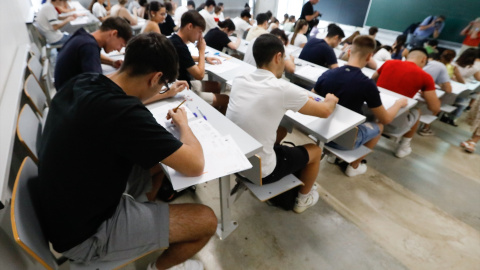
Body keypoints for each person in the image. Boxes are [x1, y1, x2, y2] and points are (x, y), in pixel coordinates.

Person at [36, 32, 217, 270]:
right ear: (156, 78)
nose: (160, 90)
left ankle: (143, 223)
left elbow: (120, 107)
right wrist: (183, 125)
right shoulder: (125, 116)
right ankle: (158, 267)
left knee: (158, 166)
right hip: (87, 236)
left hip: (64, 210)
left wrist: (166, 94)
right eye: (162, 87)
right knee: (207, 221)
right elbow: (195, 164)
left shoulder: (85, 81)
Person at [227, 34, 338, 213]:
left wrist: (299, 98)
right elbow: (325, 111)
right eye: (284, 57)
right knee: (316, 151)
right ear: (278, 57)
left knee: (281, 130)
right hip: (262, 172)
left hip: (236, 161)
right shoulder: (284, 89)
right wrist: (330, 100)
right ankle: (303, 199)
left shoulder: (240, 80)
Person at [314, 35, 407, 176]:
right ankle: (355, 165)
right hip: (342, 141)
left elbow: (312, 97)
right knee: (379, 126)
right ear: (370, 56)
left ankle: (332, 156)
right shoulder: (366, 84)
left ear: (349, 51)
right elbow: (386, 119)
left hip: (318, 133)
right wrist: (398, 103)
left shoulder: (328, 73)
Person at [372, 48, 440, 158]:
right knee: (417, 111)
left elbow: (372, 81)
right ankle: (403, 147)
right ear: (424, 59)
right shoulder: (425, 77)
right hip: (394, 125)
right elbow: (435, 108)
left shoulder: (388, 63)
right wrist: (426, 95)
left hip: (371, 115)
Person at [169, 11, 229, 113]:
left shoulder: (174, 39)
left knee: (217, 86)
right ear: (190, 26)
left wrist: (204, 58)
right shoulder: (180, 46)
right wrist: (201, 51)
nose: (200, 36)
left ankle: (211, 110)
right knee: (227, 99)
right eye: (199, 31)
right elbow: (200, 75)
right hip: (184, 90)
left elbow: (185, 57)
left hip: (182, 82)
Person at [54, 17, 132, 90]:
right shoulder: (89, 47)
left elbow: (94, 56)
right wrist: (122, 72)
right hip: (71, 98)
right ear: (114, 34)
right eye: (121, 45)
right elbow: (97, 83)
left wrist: (112, 62)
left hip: (64, 92)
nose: (119, 50)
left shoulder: (84, 38)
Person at [442, 48, 480, 126]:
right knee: (463, 100)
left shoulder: (453, 63)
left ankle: (442, 114)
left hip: (449, 85)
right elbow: (478, 78)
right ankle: (452, 118)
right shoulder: (474, 68)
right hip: (461, 87)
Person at [420, 54, 453, 136]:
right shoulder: (440, 66)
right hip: (421, 97)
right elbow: (448, 89)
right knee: (438, 102)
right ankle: (425, 128)